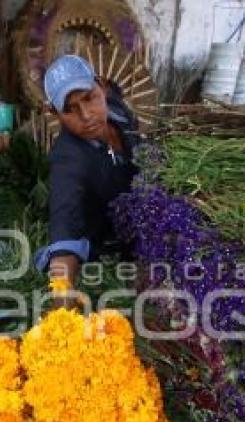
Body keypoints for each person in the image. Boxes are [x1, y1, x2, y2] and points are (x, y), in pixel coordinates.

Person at [34, 54, 141, 285]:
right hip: (110, 247)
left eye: (89, 98)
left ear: (102, 87)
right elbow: (65, 228)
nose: (86, 115)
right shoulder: (68, 160)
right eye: (70, 109)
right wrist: (61, 313)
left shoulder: (118, 112)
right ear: (55, 113)